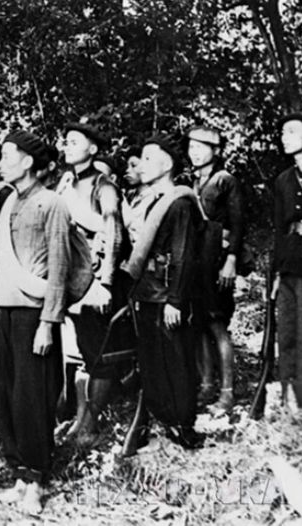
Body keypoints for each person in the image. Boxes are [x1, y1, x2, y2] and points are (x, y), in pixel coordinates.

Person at [0, 130, 70, 514]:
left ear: (27, 162)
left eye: (9, 155)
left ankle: (37, 480)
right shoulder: (7, 201)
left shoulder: (51, 202)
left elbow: (59, 265)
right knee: (6, 396)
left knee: (32, 399)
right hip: (5, 312)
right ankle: (19, 476)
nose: (1, 162)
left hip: (33, 315)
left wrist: (48, 322)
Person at [122, 136, 204, 449]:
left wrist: (176, 300)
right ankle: (164, 420)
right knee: (153, 360)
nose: (141, 166)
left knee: (176, 360)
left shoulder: (179, 203)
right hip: (148, 293)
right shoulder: (157, 202)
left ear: (167, 164)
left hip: (167, 296)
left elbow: (183, 255)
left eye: (147, 158)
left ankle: (183, 426)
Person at [57, 122, 129, 445]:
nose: (67, 146)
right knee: (77, 355)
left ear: (93, 149)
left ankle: (92, 423)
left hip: (94, 281)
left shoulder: (104, 186)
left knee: (99, 355)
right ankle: (80, 418)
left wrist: (106, 282)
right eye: (66, 142)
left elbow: (114, 235)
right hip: (71, 278)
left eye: (75, 141)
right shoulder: (66, 184)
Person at [185, 126, 243, 413]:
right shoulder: (191, 182)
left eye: (201, 147)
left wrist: (231, 259)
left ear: (216, 151)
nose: (194, 152)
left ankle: (227, 391)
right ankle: (207, 384)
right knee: (199, 324)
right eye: (191, 147)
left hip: (217, 262)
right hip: (196, 263)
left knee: (217, 324)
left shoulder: (225, 181)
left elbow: (238, 223)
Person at [273, 112, 302, 415]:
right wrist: (276, 273)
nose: (284, 137)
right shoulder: (283, 180)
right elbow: (279, 228)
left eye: (291, 131)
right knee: (287, 333)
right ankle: (289, 400)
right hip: (289, 264)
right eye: (282, 133)